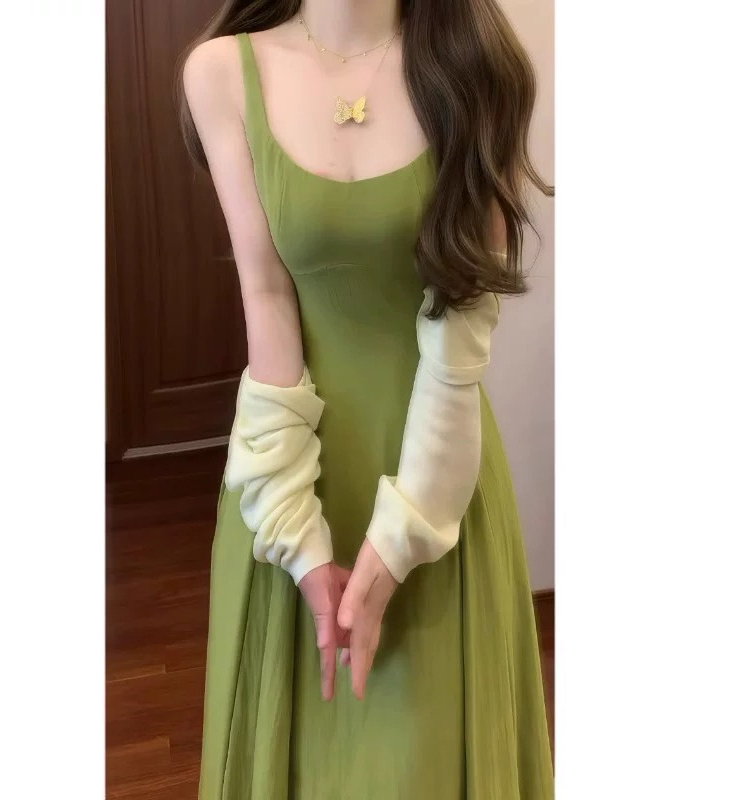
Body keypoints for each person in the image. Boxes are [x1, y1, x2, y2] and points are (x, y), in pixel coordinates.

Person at [177, 0, 554, 796]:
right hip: (292, 480)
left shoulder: (475, 63)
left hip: (439, 483)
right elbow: (266, 296)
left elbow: (462, 324)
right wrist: (299, 538)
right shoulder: (221, 75)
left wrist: (401, 538)